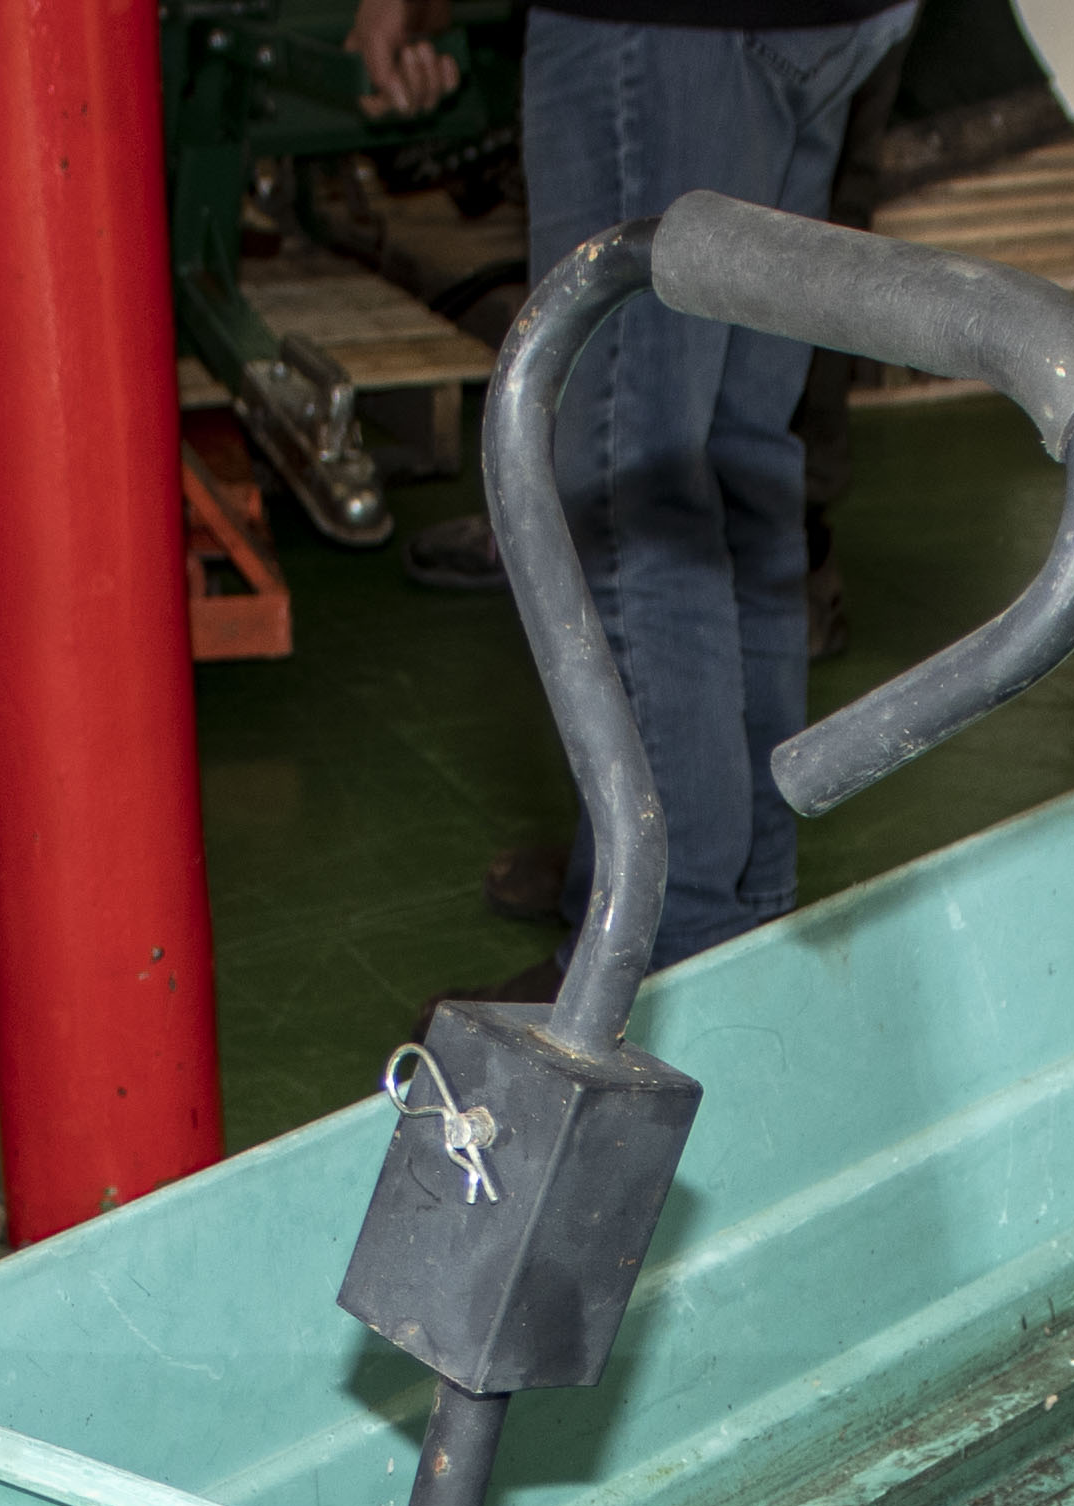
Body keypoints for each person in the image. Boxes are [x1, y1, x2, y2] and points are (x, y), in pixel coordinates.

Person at [352, 0, 915, 979]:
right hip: (832, 25)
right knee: (737, 451)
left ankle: (660, 948)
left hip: (658, 27)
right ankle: (734, 904)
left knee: (627, 472)